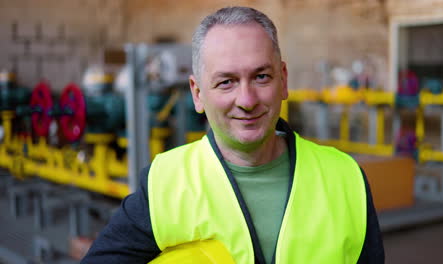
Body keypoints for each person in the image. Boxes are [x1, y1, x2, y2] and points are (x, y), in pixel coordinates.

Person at [82, 6, 384, 263]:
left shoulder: (346, 178)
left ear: (284, 80)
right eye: (226, 82)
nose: (247, 100)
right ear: (197, 94)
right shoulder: (165, 183)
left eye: (261, 77)